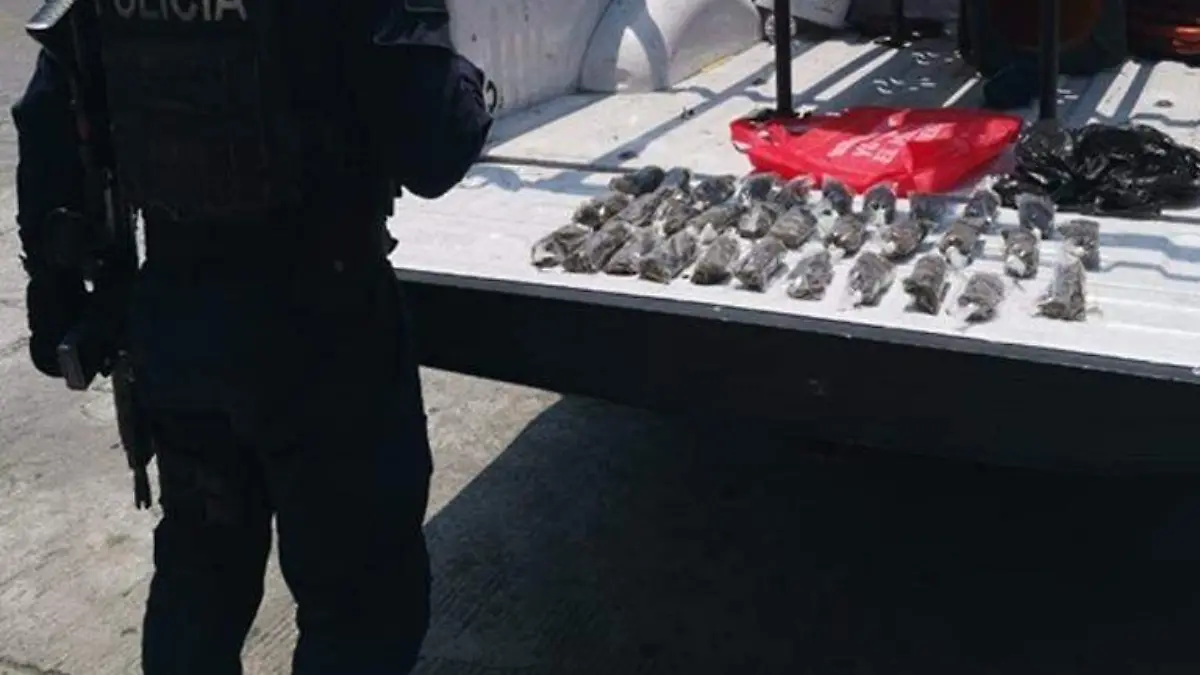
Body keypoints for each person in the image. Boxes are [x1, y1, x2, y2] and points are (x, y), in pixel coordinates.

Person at [11, 0, 492, 673]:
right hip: (324, 335)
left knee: (200, 575)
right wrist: (473, 83)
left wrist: (57, 290)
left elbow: (51, 112)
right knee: (358, 608)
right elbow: (436, 147)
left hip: (180, 324)